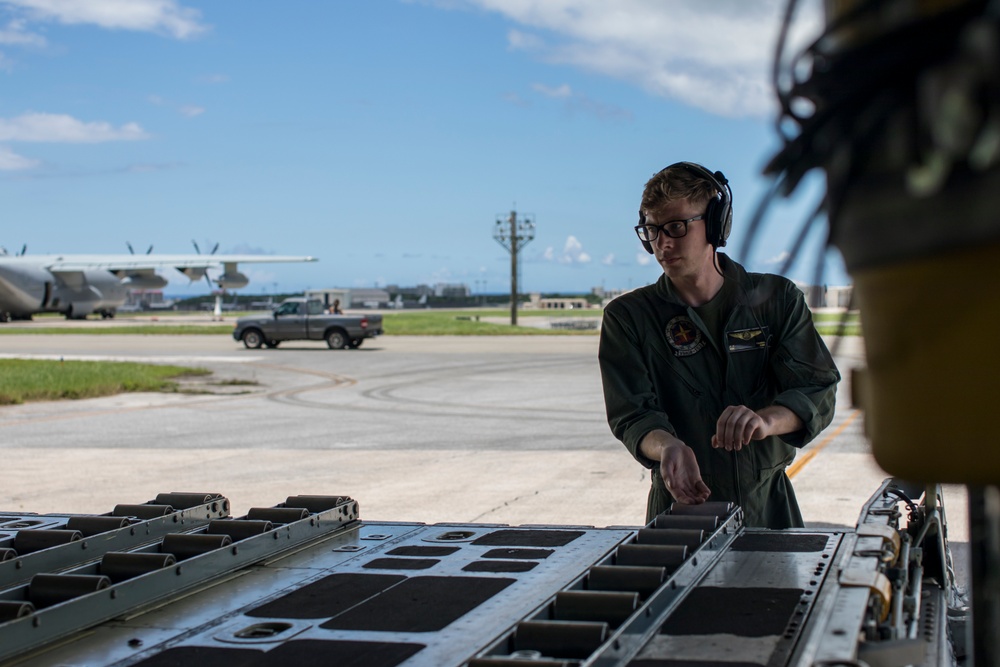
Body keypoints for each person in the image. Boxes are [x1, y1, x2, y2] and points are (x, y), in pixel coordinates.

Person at [598, 162, 840, 529]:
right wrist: (667, 446)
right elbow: (632, 415)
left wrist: (765, 420)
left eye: (676, 227)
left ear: (715, 224)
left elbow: (818, 388)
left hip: (768, 508)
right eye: (652, 229)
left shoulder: (775, 300)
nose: (662, 243)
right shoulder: (629, 317)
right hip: (679, 510)